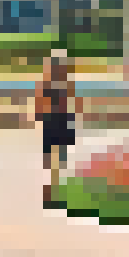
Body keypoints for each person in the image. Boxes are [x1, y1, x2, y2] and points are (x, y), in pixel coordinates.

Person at [35, 50, 78, 202]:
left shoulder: (60, 83)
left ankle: (53, 188)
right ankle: (53, 189)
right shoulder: (55, 83)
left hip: (58, 120)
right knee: (55, 157)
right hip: (55, 121)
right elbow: (41, 102)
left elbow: (70, 102)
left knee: (57, 157)